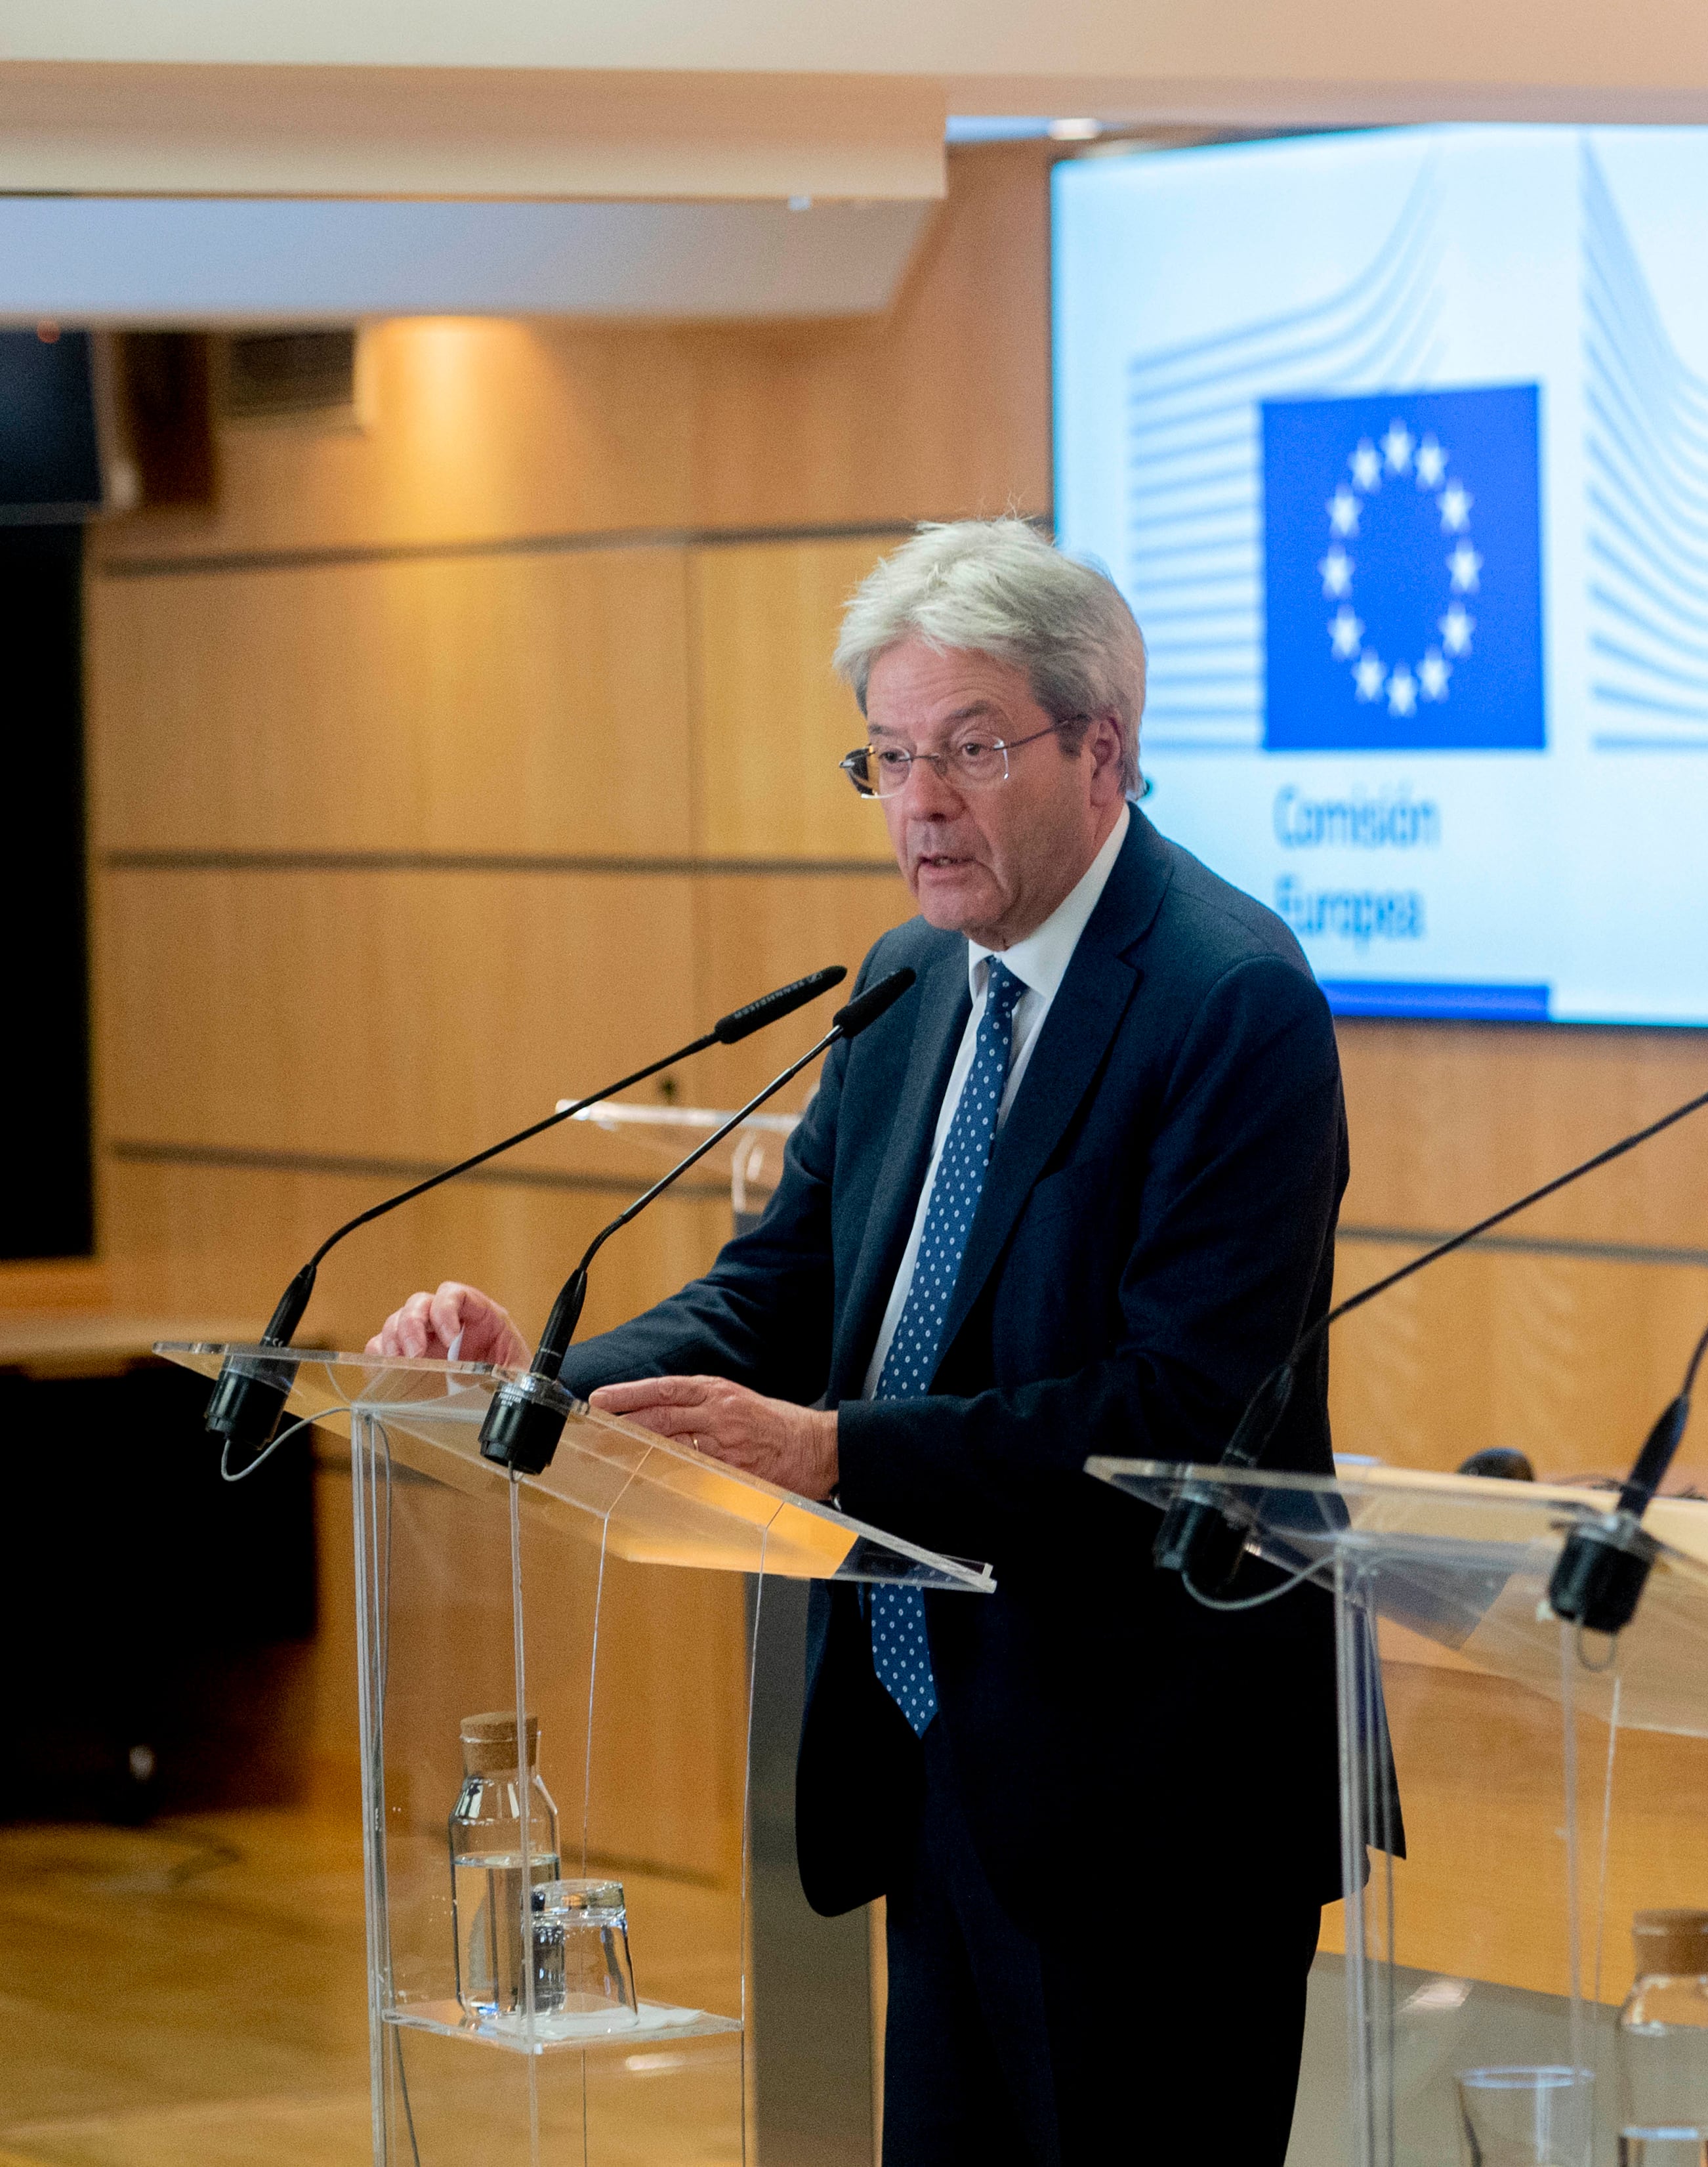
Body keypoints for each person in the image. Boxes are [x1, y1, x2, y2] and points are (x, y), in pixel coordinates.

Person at [365, 518, 1348, 2166]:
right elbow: (778, 1296)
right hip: (932, 1750)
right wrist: (531, 1376)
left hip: (1141, 1794)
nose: (919, 805)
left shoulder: (1226, 998)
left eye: (969, 749)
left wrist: (833, 1455)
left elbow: (1179, 1415)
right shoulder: (913, 984)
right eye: (888, 757)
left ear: (1103, 748)